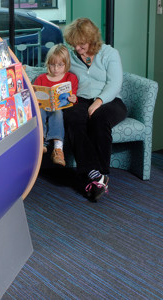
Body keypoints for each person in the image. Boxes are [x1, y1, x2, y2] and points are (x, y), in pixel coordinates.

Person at [63, 18, 127, 202]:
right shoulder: (71, 54)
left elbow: (115, 83)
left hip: (111, 100)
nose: (78, 49)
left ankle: (101, 175)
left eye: (81, 44)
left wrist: (99, 101)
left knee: (99, 119)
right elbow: (55, 66)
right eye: (74, 45)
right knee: (72, 118)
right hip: (81, 99)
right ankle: (94, 174)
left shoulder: (109, 53)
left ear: (92, 39)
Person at [33, 44, 78, 167]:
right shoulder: (41, 78)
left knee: (57, 112)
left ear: (66, 64)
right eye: (52, 65)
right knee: (40, 112)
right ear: (48, 64)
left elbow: (73, 96)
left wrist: (73, 98)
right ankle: (41, 142)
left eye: (60, 65)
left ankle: (58, 149)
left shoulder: (71, 78)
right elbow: (35, 95)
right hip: (43, 108)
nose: (56, 69)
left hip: (59, 109)